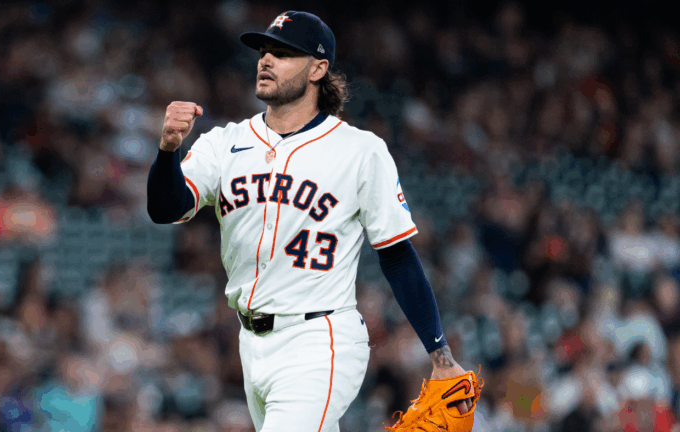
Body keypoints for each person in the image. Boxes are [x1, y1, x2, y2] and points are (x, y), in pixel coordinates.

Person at [147, 11, 474, 431]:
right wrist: (168, 150)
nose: (266, 60)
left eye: (283, 53)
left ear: (318, 68)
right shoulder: (224, 143)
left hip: (321, 339)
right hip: (251, 343)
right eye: (264, 51)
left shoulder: (359, 151)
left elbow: (397, 256)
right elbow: (165, 209)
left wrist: (440, 356)